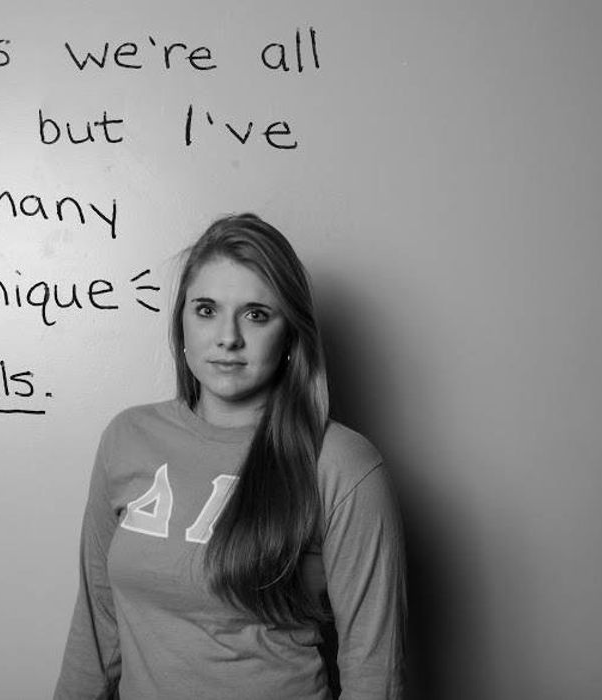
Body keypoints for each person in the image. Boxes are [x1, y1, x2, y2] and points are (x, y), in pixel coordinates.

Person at [53, 214, 405, 700]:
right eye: (206, 310)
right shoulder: (127, 438)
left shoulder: (342, 464)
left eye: (256, 314)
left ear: (290, 333)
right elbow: (96, 629)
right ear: (181, 321)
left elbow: (374, 674)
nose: (228, 337)